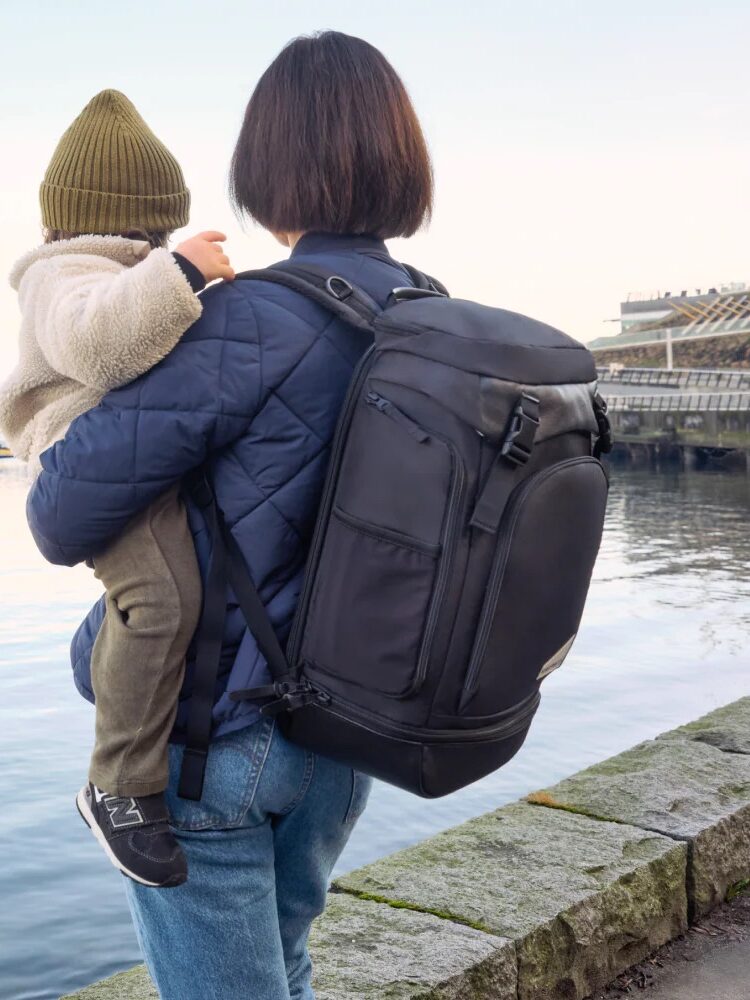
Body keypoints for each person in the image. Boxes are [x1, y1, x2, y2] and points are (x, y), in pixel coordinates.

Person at [27, 31, 433, 1000]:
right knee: (281, 967)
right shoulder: (431, 317)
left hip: (221, 743)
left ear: (267, 168)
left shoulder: (256, 317)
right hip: (344, 740)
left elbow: (60, 513)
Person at [0, 88, 235, 889]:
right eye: (155, 231)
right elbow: (101, 349)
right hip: (79, 452)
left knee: (162, 595)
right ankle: (118, 787)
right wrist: (178, 273)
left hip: (128, 452)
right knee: (162, 600)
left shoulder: (114, 271)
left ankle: (108, 675)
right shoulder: (62, 273)